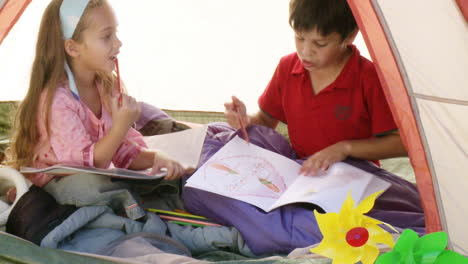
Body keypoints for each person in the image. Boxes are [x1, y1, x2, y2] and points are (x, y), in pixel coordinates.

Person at [7, 0, 188, 219]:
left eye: (116, 33)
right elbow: (93, 164)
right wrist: (120, 125)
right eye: (106, 36)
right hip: (57, 185)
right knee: (91, 185)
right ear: (73, 48)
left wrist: (157, 157)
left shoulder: (106, 87)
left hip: (93, 178)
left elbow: (122, 152)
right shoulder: (57, 100)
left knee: (161, 178)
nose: (118, 43)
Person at [224, 0, 406, 176]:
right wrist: (244, 120)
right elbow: (266, 121)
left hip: (354, 176)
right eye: (300, 38)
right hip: (303, 171)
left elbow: (401, 144)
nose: (305, 51)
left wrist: (344, 148)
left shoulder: (369, 77)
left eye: (320, 44)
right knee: (219, 140)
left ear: (350, 36)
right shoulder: (287, 67)